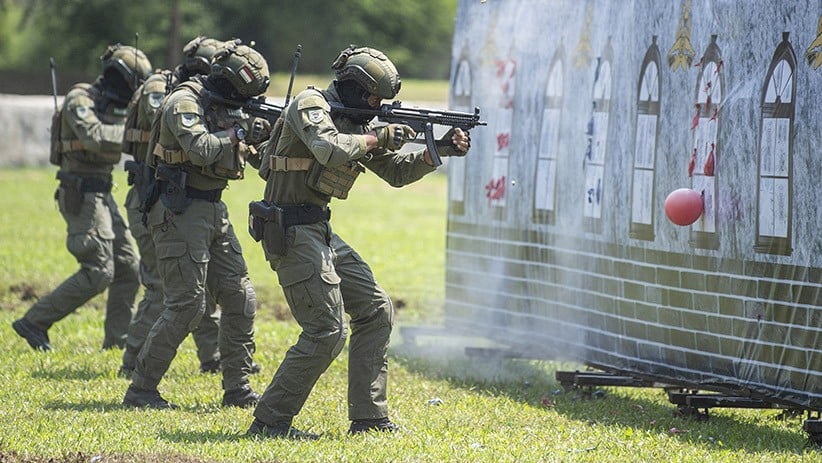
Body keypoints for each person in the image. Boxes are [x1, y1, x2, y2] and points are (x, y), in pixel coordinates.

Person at [246, 45, 470, 439]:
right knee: (326, 330)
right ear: (353, 87)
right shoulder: (311, 104)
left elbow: (396, 173)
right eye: (372, 99)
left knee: (376, 310)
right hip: (289, 230)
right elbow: (328, 148)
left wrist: (439, 150)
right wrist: (377, 136)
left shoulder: (353, 121)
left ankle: (369, 418)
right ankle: (269, 422)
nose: (376, 107)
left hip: (318, 229)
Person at [122, 41, 271, 409]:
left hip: (213, 210)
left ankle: (237, 388)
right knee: (187, 304)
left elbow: (260, 160)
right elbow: (201, 148)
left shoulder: (226, 108)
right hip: (179, 210)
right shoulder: (183, 101)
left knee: (240, 297)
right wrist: (240, 131)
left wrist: (270, 137)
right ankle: (141, 389)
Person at [12, 43, 152, 351]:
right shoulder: (81, 99)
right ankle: (34, 321)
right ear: (117, 77)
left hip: (101, 191)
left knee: (128, 268)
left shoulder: (116, 106)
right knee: (98, 271)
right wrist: (137, 135)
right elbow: (94, 137)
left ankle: (117, 342)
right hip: (80, 191)